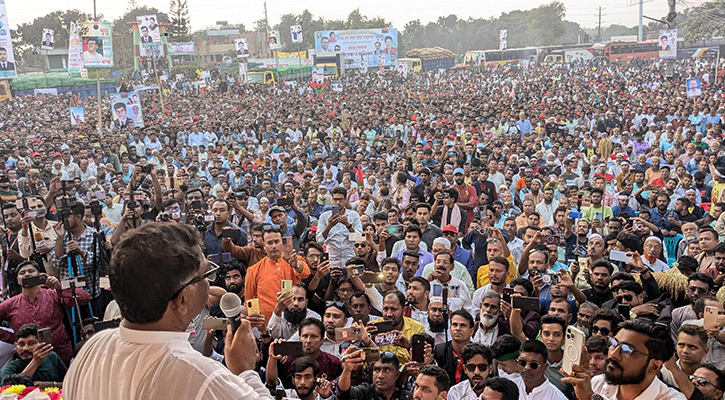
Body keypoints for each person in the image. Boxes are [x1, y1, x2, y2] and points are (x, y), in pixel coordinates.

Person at [63, 223, 273, 399]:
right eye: (205, 274)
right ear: (182, 301)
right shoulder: (202, 376)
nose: (210, 283)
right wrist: (246, 370)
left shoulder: (92, 349)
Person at [563, 319, 686, 400]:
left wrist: (590, 398)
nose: (613, 354)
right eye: (614, 344)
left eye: (627, 350)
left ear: (655, 366)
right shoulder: (598, 383)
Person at [0, 261, 89, 366]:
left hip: (60, 355)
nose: (27, 274)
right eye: (22, 273)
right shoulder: (10, 304)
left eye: (31, 271)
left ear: (40, 275)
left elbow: (85, 298)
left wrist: (60, 287)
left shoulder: (53, 294)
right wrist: (14, 337)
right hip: (28, 360)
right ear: (18, 280)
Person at [245, 227, 310, 322]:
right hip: (267, 323)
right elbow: (249, 301)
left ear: (283, 243)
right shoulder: (253, 270)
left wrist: (296, 265)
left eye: (277, 241)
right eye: (269, 243)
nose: (274, 246)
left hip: (294, 319)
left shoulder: (294, 260)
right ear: (264, 245)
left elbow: (305, 273)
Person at [316, 186, 362, 268]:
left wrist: (348, 225)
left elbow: (360, 238)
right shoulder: (324, 216)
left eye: (341, 200)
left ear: (345, 200)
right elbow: (319, 240)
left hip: (350, 259)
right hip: (332, 261)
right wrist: (329, 226)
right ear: (332, 200)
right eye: (335, 199)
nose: (338, 202)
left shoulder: (354, 215)